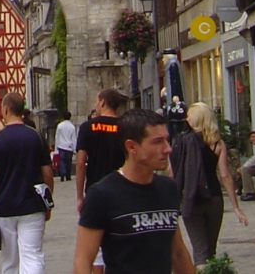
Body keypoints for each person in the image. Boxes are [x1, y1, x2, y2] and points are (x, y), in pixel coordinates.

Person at [75, 107, 195, 274]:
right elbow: (83, 261)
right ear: (132, 147)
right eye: (157, 141)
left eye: (167, 140)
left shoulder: (168, 188)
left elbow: (178, 253)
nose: (167, 149)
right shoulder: (102, 195)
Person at [0, 93, 54, 274]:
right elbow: (47, 175)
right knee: (32, 254)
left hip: (5, 206)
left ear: (5, 109)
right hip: (33, 205)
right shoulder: (37, 137)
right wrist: (47, 202)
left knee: (9, 258)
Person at [167, 102, 247, 263]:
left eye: (189, 115)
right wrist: (236, 207)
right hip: (214, 197)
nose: (186, 118)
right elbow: (225, 175)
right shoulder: (218, 143)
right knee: (211, 250)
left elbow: (172, 172)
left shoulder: (182, 141)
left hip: (191, 198)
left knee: (199, 251)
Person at [76, 88, 129, 216]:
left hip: (95, 187)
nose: (95, 105)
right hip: (121, 187)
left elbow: (80, 163)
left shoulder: (87, 127)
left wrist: (79, 196)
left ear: (103, 102)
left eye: (96, 101)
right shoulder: (125, 127)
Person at [55, 110, 79, 182]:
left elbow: (57, 136)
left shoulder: (60, 126)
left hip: (61, 145)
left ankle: (62, 173)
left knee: (62, 160)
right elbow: (74, 138)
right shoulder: (71, 127)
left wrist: (56, 148)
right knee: (68, 161)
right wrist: (75, 149)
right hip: (69, 146)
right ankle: (68, 175)